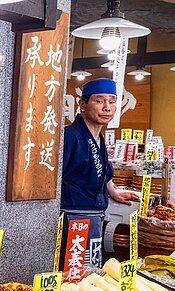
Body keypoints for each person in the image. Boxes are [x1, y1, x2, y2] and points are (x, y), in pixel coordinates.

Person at [60, 77, 140, 270]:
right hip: (74, 219)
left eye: (112, 102)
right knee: (74, 277)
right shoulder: (70, 136)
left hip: (93, 219)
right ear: (83, 105)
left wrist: (113, 192)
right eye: (99, 100)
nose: (107, 107)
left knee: (90, 276)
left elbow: (102, 173)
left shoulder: (97, 137)